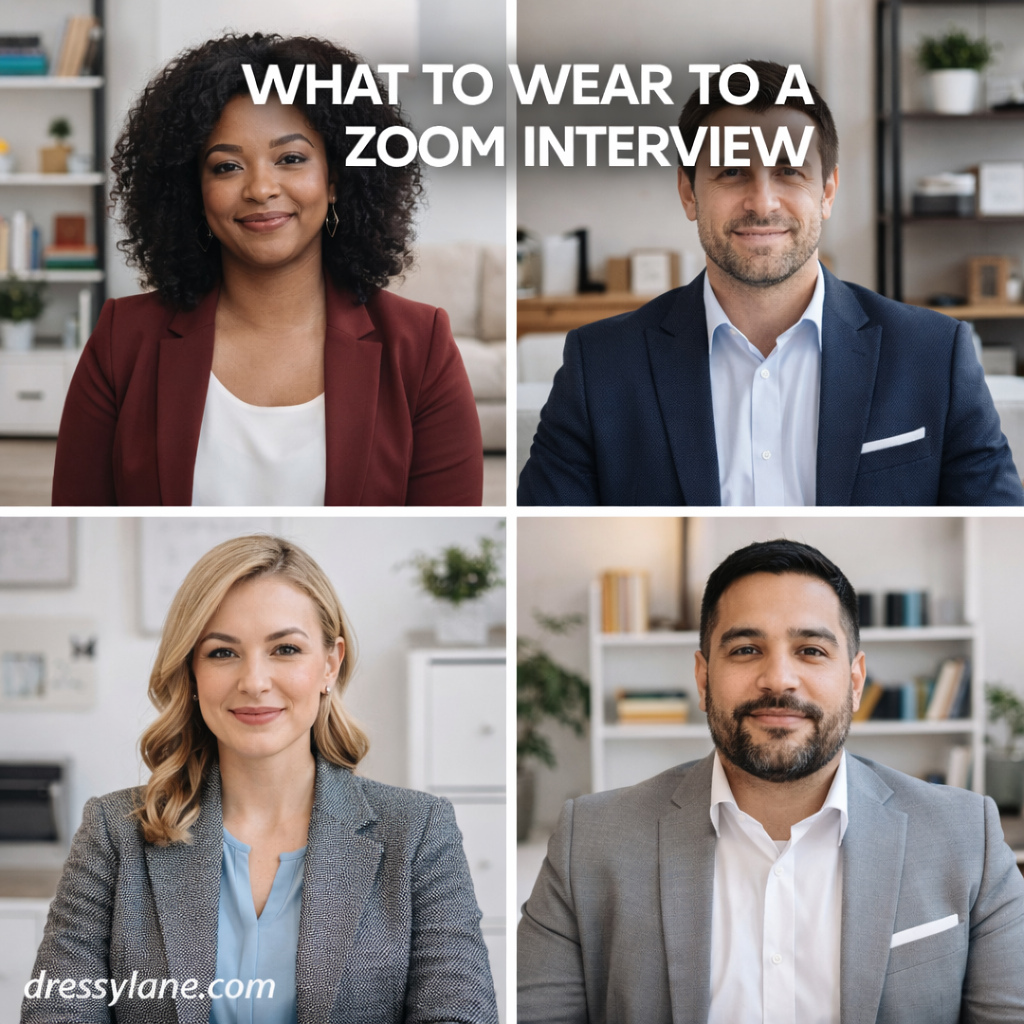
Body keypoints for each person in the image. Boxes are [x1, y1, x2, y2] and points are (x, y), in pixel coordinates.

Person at [518, 539, 1024, 1023]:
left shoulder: (966, 835)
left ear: (854, 681)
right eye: (744, 650)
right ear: (703, 678)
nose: (778, 678)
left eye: (811, 650)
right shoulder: (588, 841)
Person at [24, 535, 498, 1024]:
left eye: (285, 649)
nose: (253, 681)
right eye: (222, 653)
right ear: (191, 670)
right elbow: (56, 1013)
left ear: (329, 664)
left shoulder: (419, 831)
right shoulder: (113, 832)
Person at [517, 61, 1024, 506]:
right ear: (689, 193)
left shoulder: (936, 353)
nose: (762, 202)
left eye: (788, 171)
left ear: (827, 191)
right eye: (733, 171)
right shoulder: (599, 364)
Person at [52, 34, 483, 506]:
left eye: (291, 159)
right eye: (226, 166)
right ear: (192, 191)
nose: (260, 188)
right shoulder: (122, 340)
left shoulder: (420, 347)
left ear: (335, 179)